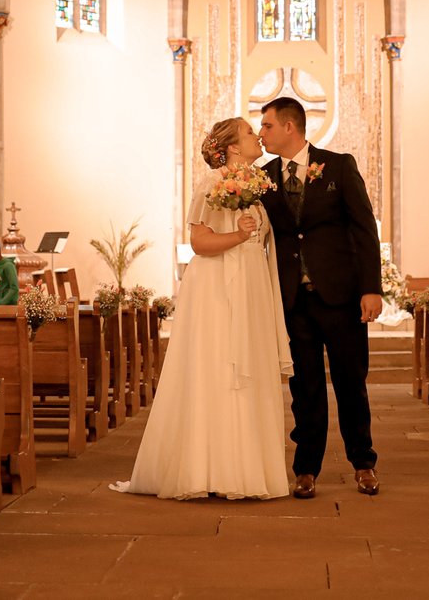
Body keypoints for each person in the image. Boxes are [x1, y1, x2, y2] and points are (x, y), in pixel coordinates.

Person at [111, 117, 293, 500]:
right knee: (218, 366)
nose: (256, 136)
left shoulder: (257, 187)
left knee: (248, 368)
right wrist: (239, 235)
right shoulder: (211, 185)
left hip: (251, 283)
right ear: (230, 147)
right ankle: (207, 468)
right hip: (216, 286)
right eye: (248, 133)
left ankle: (245, 468)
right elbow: (199, 242)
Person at [256, 96, 382, 499]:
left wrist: (371, 288)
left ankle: (363, 463)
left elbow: (364, 230)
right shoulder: (262, 178)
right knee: (304, 388)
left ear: (289, 127)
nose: (262, 134)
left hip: (341, 297)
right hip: (293, 300)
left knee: (350, 383)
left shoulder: (339, 165)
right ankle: (306, 469)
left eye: (267, 126)